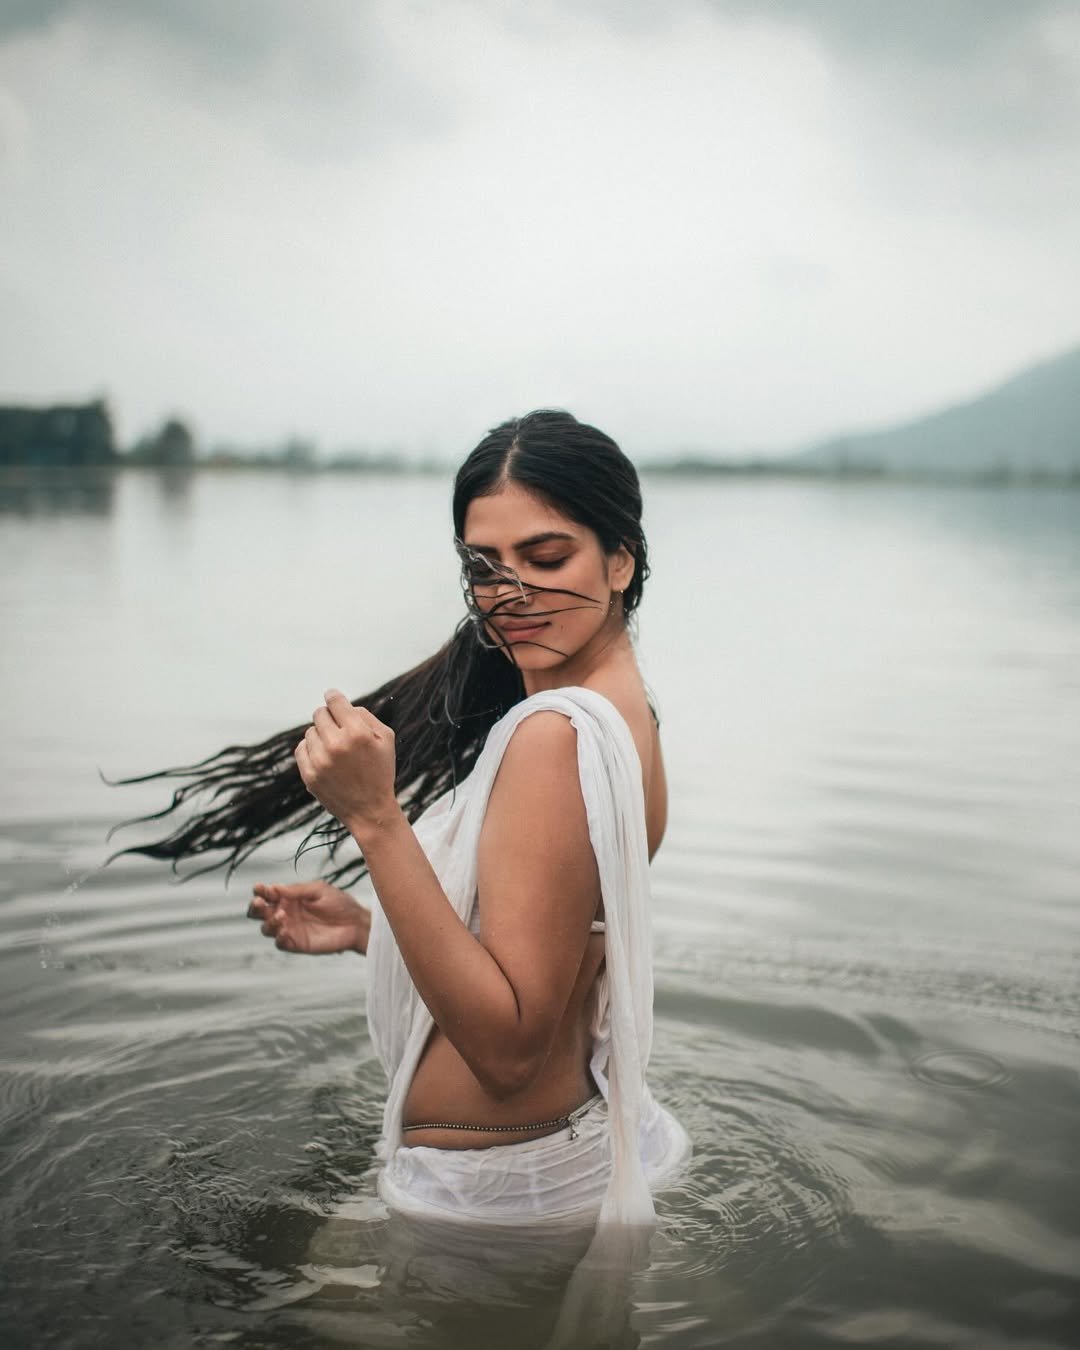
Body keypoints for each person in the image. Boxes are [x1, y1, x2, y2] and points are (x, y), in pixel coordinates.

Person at [117, 409, 690, 1229]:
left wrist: (374, 819)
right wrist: (370, 928)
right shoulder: (629, 714)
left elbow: (508, 1047)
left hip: (493, 1199)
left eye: (548, 556)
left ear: (621, 560)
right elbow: (554, 948)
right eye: (486, 566)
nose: (512, 593)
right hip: (548, 1162)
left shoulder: (555, 737)